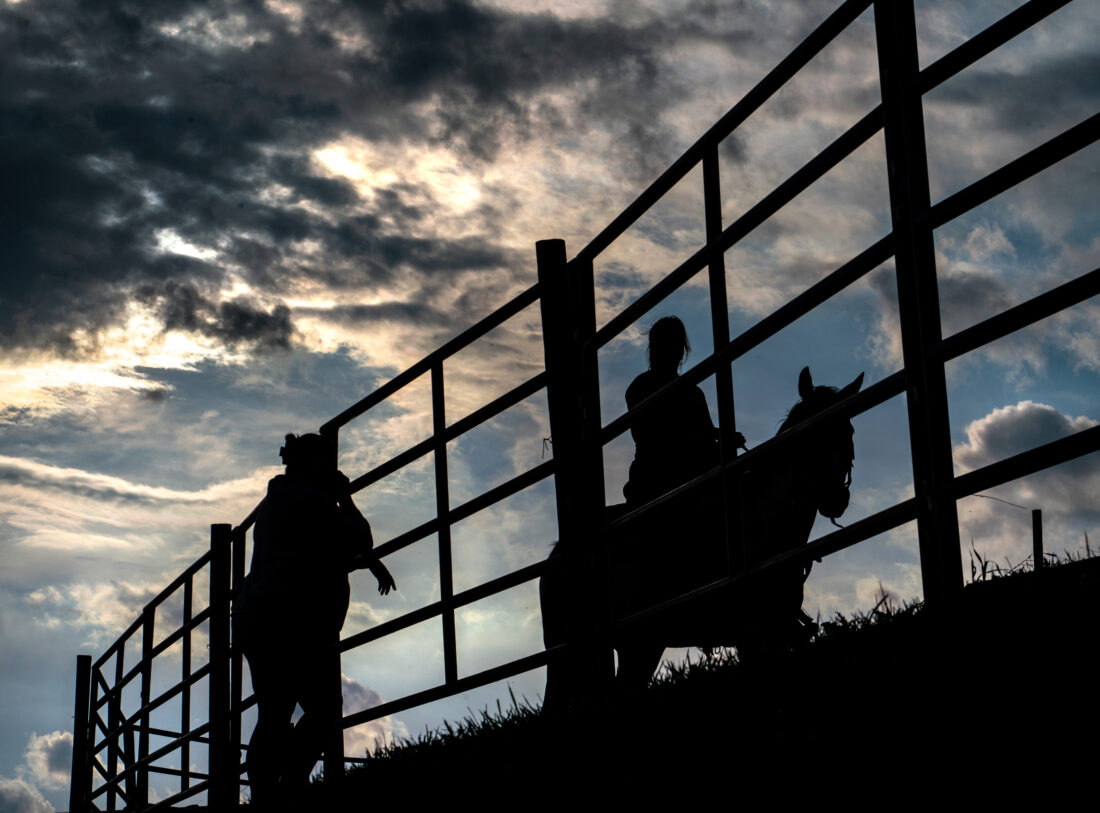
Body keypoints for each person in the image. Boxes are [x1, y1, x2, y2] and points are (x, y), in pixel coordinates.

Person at [232, 433, 396, 807]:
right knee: (322, 710)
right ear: (313, 464)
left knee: (274, 711)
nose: (334, 469)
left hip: (262, 615)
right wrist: (345, 496)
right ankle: (289, 786)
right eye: (326, 461)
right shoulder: (310, 499)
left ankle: (266, 793)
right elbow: (357, 537)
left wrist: (368, 561)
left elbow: (319, 548)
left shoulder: (282, 499)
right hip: (289, 620)